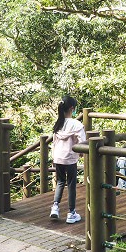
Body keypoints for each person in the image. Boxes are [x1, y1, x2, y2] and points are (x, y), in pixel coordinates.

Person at [50, 95, 86, 223]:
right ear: (72, 108)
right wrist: (81, 153)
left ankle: (55, 207)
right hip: (70, 158)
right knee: (71, 185)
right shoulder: (76, 124)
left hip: (58, 157)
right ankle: (71, 213)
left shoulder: (58, 124)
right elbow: (83, 142)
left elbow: (54, 142)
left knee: (60, 182)